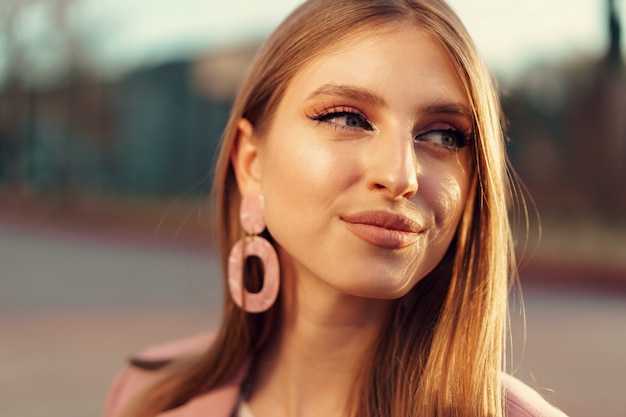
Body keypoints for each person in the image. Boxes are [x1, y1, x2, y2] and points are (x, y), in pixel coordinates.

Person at [103, 1, 569, 416]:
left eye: (443, 135)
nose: (402, 176)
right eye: (347, 118)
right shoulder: (148, 396)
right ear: (251, 162)